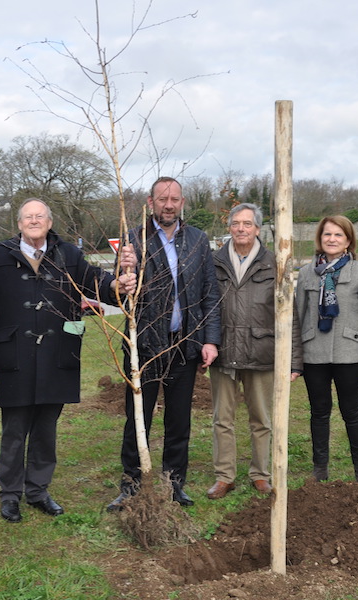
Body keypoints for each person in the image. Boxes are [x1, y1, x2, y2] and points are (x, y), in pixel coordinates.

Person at [0, 198, 134, 523]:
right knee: (14, 430)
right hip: (14, 356)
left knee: (46, 429)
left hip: (56, 353)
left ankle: (38, 490)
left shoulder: (69, 255)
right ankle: (10, 495)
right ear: (19, 224)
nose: (34, 221)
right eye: (28, 217)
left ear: (49, 223)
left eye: (40, 217)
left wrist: (116, 284)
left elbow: (96, 282)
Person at [107, 176, 221, 511]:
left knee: (179, 420)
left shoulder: (198, 241)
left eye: (174, 199)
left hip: (184, 344)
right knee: (137, 418)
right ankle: (130, 486)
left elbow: (210, 295)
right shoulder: (133, 240)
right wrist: (124, 268)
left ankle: (174, 485)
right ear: (150, 202)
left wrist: (210, 340)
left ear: (182, 202)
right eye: (162, 199)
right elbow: (118, 292)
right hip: (143, 346)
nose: (168, 205)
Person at [207, 203, 302, 500]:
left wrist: (294, 359)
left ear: (258, 229)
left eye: (247, 224)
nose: (241, 229)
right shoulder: (215, 262)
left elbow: (290, 314)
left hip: (261, 351)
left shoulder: (274, 263)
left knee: (261, 419)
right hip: (225, 350)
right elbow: (205, 305)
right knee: (222, 418)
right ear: (229, 228)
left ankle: (261, 474)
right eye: (236, 223)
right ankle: (225, 477)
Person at [295, 215, 358, 485]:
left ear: (348, 240)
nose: (331, 239)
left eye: (338, 235)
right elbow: (298, 317)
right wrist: (295, 360)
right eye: (327, 235)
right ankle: (319, 469)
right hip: (314, 354)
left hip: (350, 353)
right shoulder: (307, 273)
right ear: (320, 239)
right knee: (319, 412)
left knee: (351, 411)